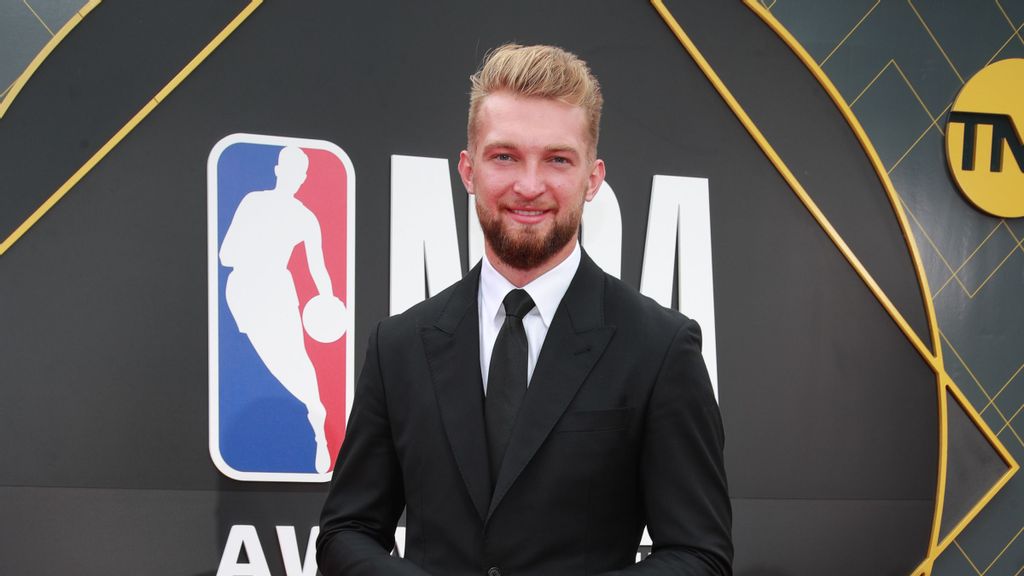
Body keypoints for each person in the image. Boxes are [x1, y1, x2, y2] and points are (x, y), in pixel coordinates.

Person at [317, 44, 732, 575]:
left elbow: (701, 557)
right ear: (468, 170)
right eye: (505, 156)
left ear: (593, 178)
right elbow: (345, 534)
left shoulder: (659, 347)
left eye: (557, 159)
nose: (529, 186)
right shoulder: (400, 345)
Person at [219, 146, 335, 474]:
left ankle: (317, 421)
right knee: (260, 361)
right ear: (279, 170)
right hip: (243, 293)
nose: (296, 178)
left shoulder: (305, 218)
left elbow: (318, 268)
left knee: (295, 360)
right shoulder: (253, 202)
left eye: (301, 173)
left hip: (277, 294)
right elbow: (226, 255)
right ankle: (310, 417)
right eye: (292, 170)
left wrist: (327, 299)